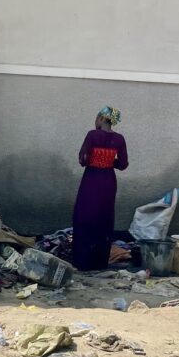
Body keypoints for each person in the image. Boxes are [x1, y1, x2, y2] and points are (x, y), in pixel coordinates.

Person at [71, 106, 129, 271]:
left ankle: (82, 260)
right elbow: (123, 164)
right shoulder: (119, 139)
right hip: (108, 182)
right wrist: (110, 162)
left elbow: (83, 158)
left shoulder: (92, 135)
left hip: (91, 180)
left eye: (97, 117)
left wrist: (94, 161)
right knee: (104, 218)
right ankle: (99, 261)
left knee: (85, 216)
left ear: (102, 119)